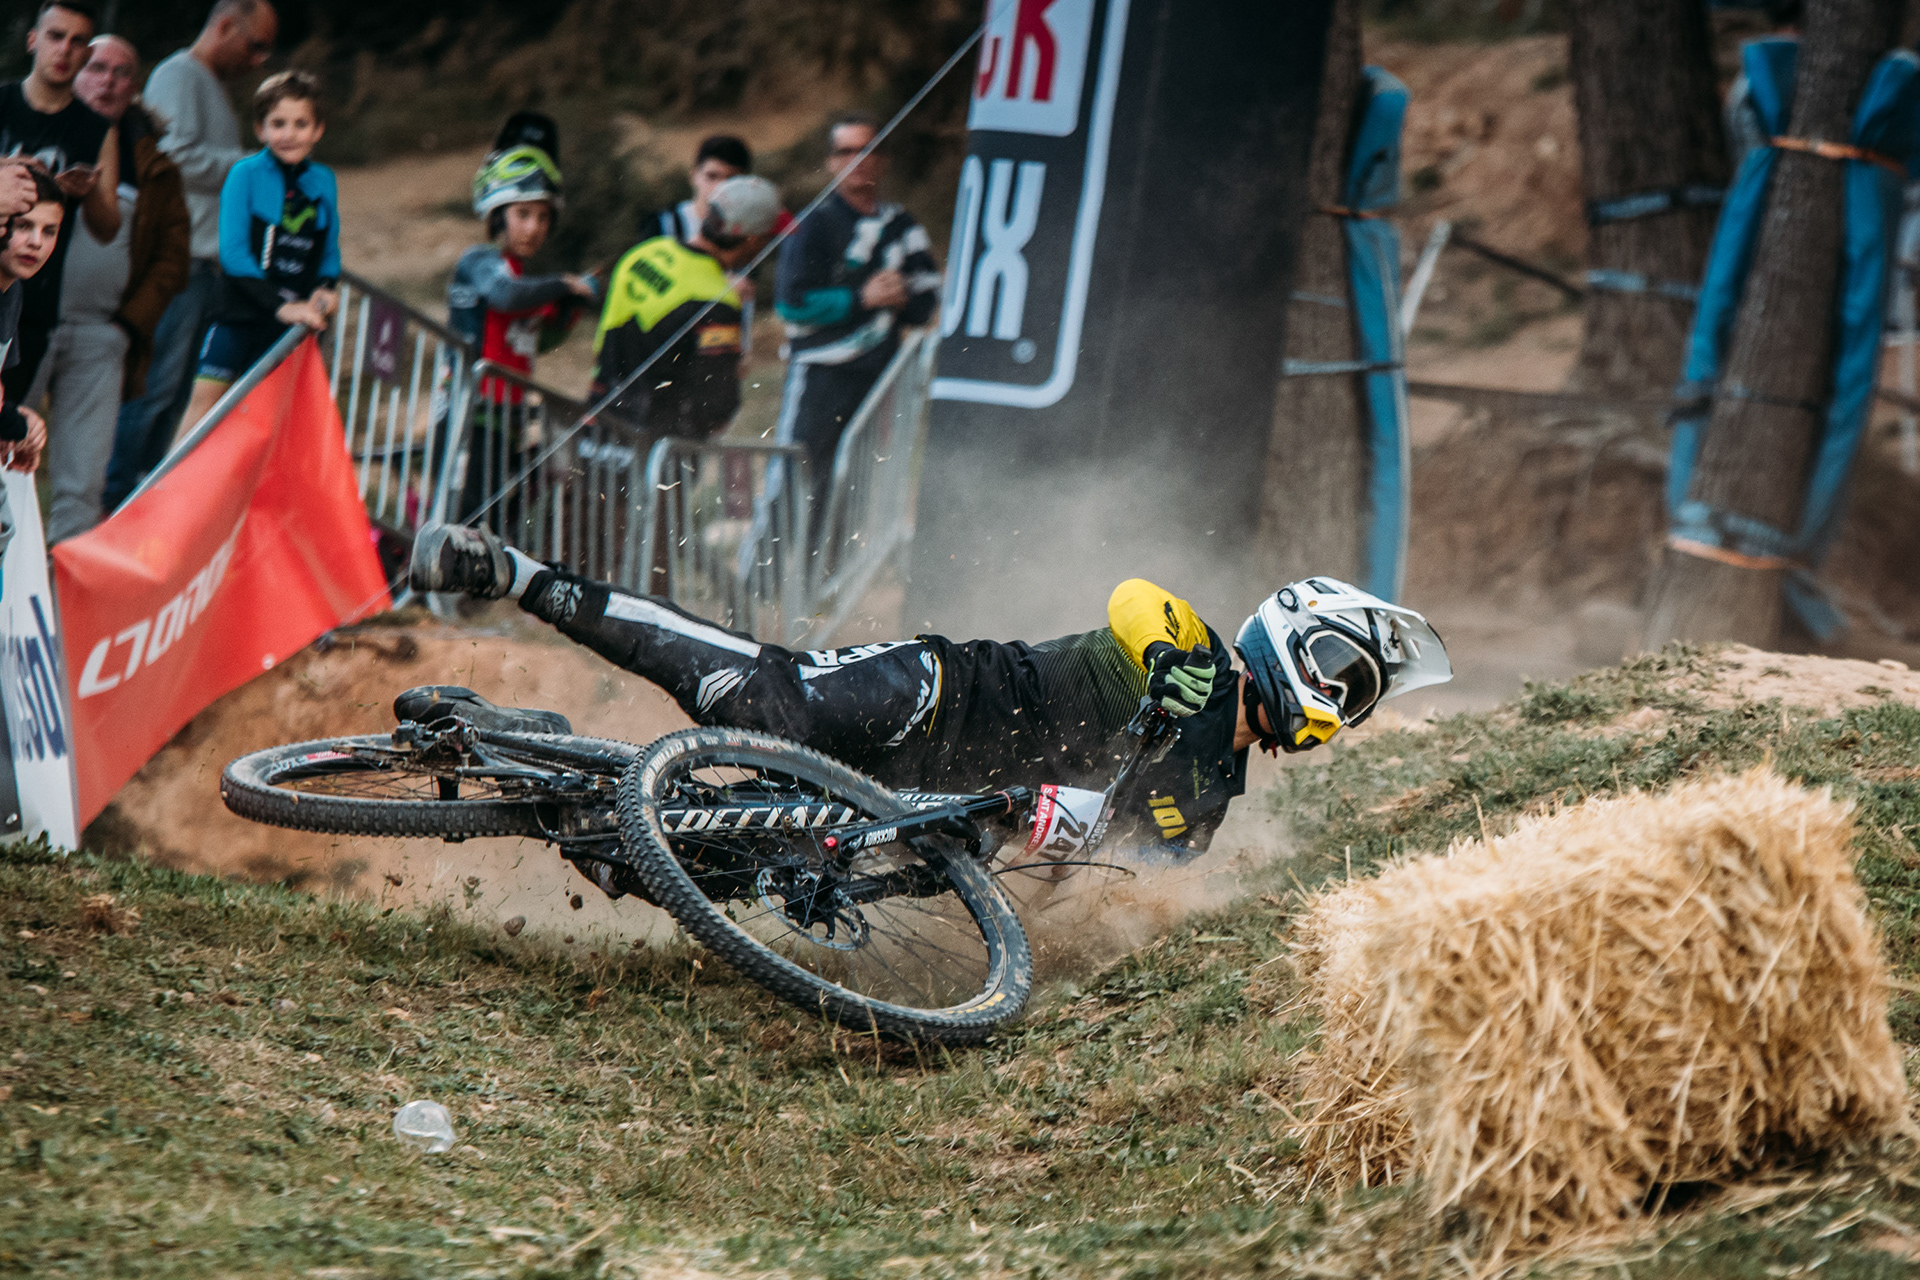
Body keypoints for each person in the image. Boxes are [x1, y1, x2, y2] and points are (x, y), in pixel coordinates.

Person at [409, 525, 1453, 854]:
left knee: (714, 856)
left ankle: (523, 754)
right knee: (763, 703)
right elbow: (1135, 597)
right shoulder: (1194, 651)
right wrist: (1165, 667)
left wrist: (1068, 846)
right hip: (940, 692)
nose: (1339, 698)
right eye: (1339, 670)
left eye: (1357, 693)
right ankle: (521, 575)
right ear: (1289, 632)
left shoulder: (1214, 795)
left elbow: (1132, 861)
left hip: (938, 802)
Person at [104, 0, 276, 510]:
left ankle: (143, 500)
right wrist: (250, 166)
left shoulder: (211, 87)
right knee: (156, 391)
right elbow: (173, 156)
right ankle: (116, 502)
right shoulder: (179, 75)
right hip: (181, 265)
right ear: (224, 25)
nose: (259, 59)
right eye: (255, 45)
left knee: (176, 396)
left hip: (207, 267)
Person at [26, 34, 188, 543]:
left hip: (100, 336)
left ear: (135, 87)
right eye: (97, 68)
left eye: (121, 73)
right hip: (23, 322)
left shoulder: (154, 165)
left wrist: (127, 325)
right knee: (8, 454)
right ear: (74, 72)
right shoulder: (32, 129)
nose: (108, 82)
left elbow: (172, 258)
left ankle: (64, 586)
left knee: (83, 482)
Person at [773, 113, 939, 507]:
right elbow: (791, 304)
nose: (857, 160)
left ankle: (838, 552)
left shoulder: (902, 225)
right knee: (798, 481)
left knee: (858, 488)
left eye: (867, 150)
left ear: (883, 160)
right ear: (831, 161)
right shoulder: (813, 223)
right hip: (821, 373)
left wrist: (902, 296)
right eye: (846, 151)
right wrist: (861, 298)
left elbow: (927, 300)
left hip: (880, 377)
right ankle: (774, 550)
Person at [174, 69, 337, 439]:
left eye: (301, 124)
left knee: (261, 427)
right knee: (204, 412)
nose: (289, 134)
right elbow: (233, 254)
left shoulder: (323, 180)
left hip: (287, 328)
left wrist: (326, 286)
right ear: (260, 129)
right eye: (278, 124)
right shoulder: (244, 173)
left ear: (318, 130)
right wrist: (280, 305)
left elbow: (328, 249)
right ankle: (172, 477)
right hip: (239, 314)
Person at [444, 126, 595, 519]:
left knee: (501, 515)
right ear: (497, 215)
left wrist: (569, 310)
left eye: (543, 217)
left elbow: (534, 342)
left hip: (506, 416)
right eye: (523, 214)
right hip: (470, 412)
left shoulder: (520, 275)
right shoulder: (480, 260)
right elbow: (505, 296)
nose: (534, 227)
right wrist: (561, 283)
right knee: (470, 518)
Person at [592, 174, 780, 441]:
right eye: (768, 238)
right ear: (752, 240)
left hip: (599, 424)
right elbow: (716, 407)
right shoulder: (719, 302)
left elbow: (604, 342)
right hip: (659, 447)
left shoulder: (643, 253)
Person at [0, 0, 121, 405]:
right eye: (55, 36)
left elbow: (109, 228)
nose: (65, 50)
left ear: (87, 54)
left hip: (34, 303)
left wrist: (89, 193)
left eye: (78, 41)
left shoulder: (97, 130)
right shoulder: (2, 102)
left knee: (7, 419)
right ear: (32, 40)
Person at [0, 171, 64, 564]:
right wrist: (16, 426)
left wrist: (18, 425)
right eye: (23, 226)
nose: (36, 242)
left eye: (49, 230)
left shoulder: (13, 293)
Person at [644, 134, 752, 245]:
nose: (720, 186)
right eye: (712, 176)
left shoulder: (753, 231)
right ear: (694, 176)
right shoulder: (664, 224)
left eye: (731, 179)